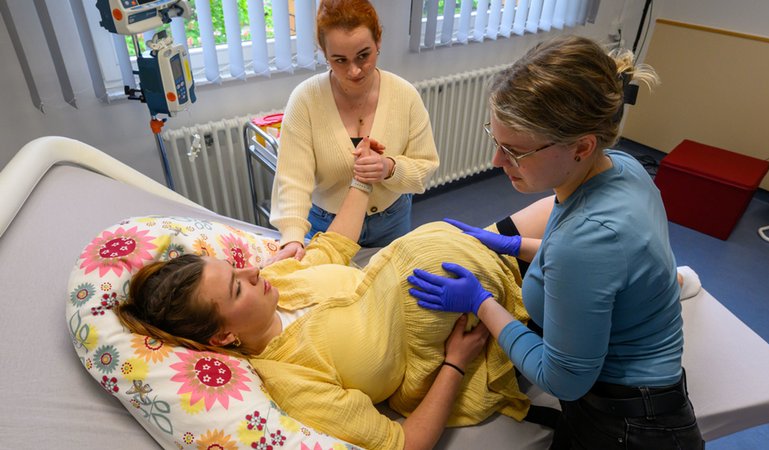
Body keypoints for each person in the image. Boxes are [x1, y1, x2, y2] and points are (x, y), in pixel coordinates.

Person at [115, 139, 528, 450]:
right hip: (470, 329)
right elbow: (401, 443)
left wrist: (361, 180)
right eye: (236, 285)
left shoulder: (281, 281)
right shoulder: (290, 380)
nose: (252, 270)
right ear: (224, 337)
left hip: (478, 265)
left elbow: (334, 245)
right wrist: (455, 364)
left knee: (566, 211)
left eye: (236, 267)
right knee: (575, 252)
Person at [408, 35, 705, 449]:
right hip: (646, 393)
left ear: (581, 146)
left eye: (513, 150)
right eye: (495, 142)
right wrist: (515, 246)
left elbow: (561, 378)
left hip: (629, 428)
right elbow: (593, 258)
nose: (497, 162)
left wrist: (481, 303)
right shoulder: (622, 166)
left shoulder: (586, 245)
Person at [269, 0, 439, 262]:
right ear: (324, 53)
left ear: (378, 41)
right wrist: (292, 236)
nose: (354, 70)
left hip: (391, 221)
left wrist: (389, 168)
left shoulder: (405, 96)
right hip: (326, 225)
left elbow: (424, 169)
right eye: (340, 60)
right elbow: (292, 180)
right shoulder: (305, 100)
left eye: (364, 55)